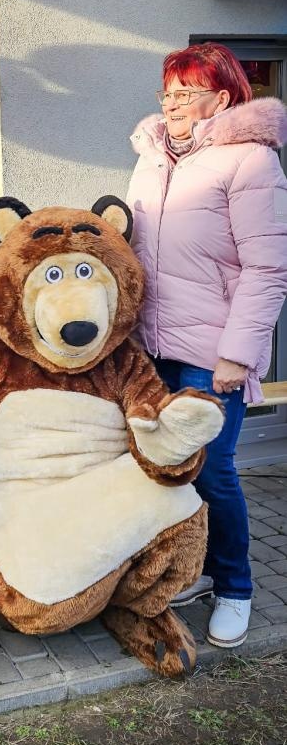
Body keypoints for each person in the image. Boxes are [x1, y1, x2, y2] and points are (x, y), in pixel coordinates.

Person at [127, 43, 287, 648]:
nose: (171, 105)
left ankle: (236, 587)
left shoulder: (250, 162)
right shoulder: (151, 160)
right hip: (152, 347)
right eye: (166, 93)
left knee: (214, 471)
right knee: (169, 471)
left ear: (220, 99)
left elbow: (268, 269)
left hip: (211, 353)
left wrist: (236, 355)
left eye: (185, 93)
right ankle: (195, 571)